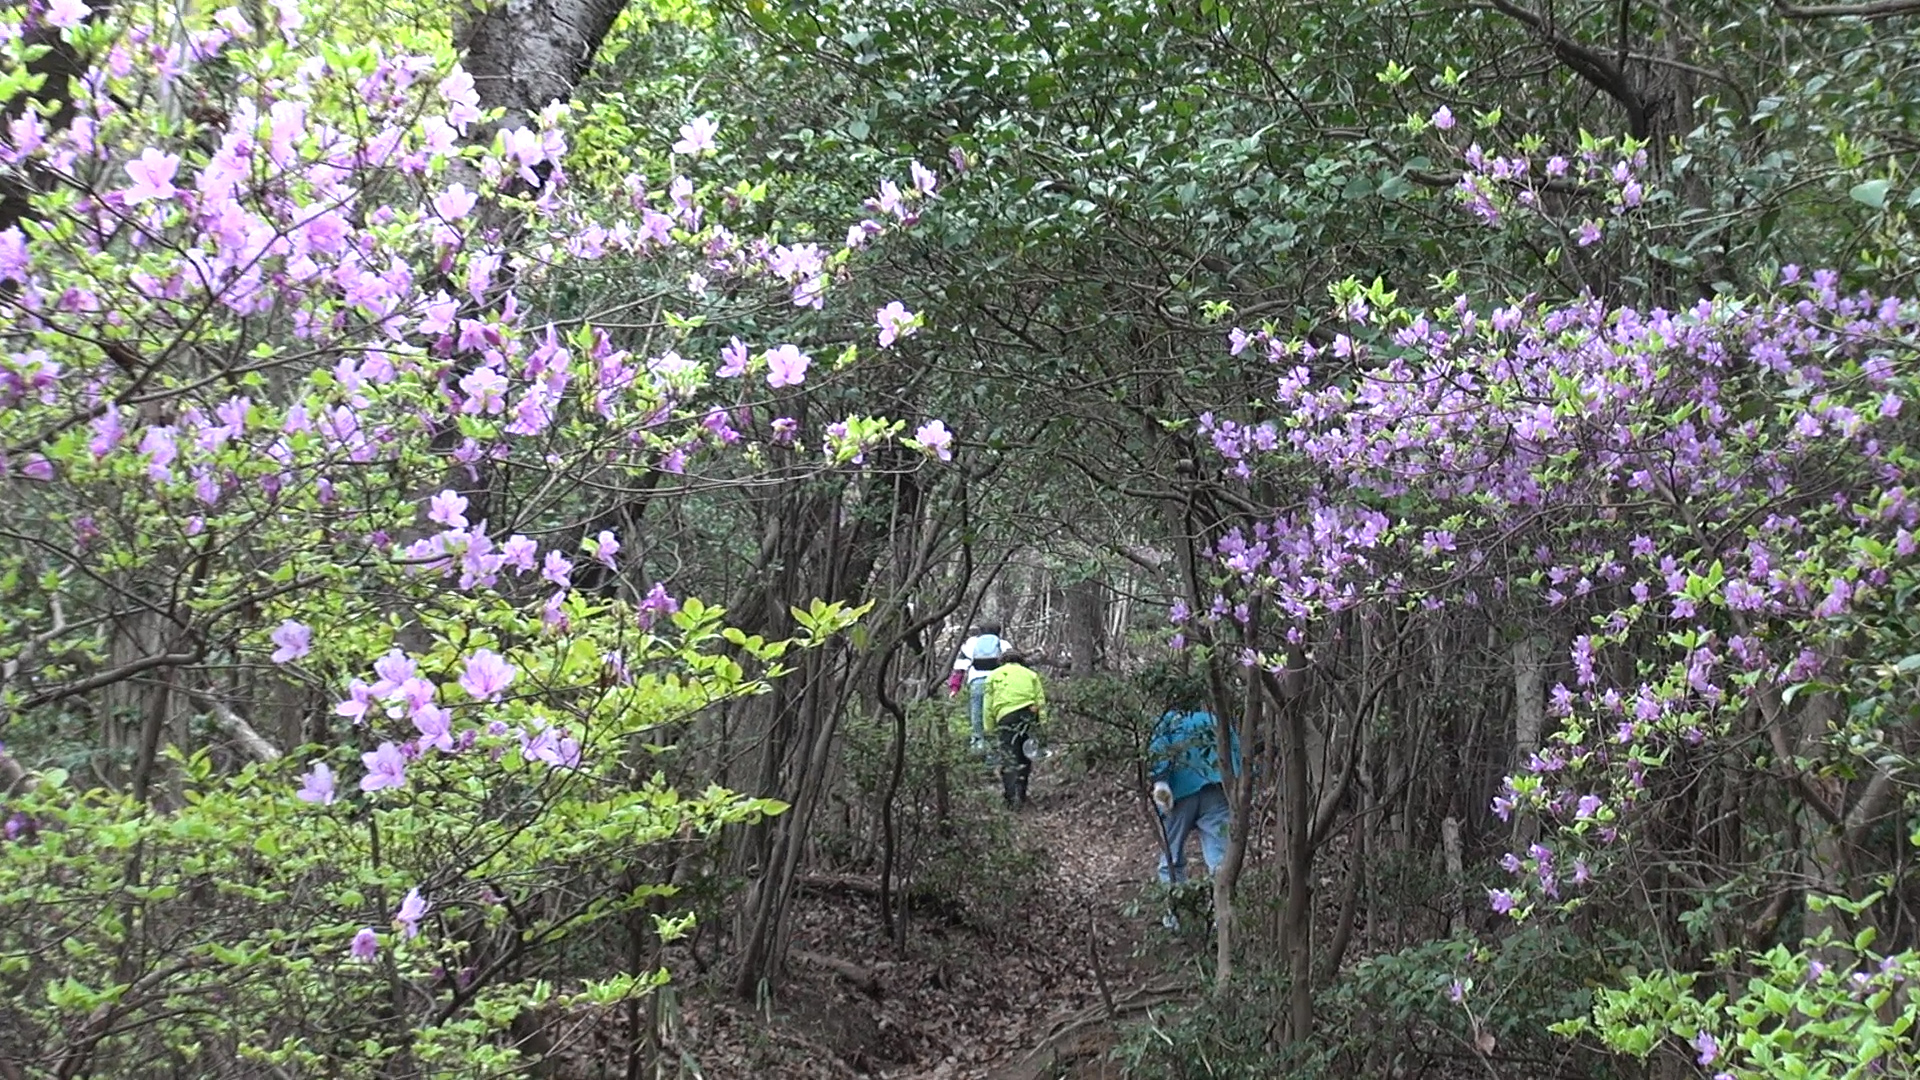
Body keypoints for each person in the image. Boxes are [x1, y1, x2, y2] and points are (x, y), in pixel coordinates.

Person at [1146, 675, 1241, 927]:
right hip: (1215, 790)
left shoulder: (1166, 722)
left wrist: (1161, 780)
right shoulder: (1214, 719)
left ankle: (1173, 917)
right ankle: (1219, 919)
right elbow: (1235, 753)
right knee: (1218, 857)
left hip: (1180, 793)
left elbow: (1158, 751)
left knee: (1172, 856)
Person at [983, 649, 1045, 810]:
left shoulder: (994, 675)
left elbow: (987, 705)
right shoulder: (1030, 674)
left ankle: (1011, 798)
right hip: (1028, 715)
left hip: (1006, 716)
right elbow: (1040, 700)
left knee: (1009, 755)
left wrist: (989, 728)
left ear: (1002, 661)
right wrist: (1042, 723)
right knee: (1025, 754)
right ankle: (1022, 793)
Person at [949, 621, 1007, 751]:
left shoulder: (971, 643)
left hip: (977, 682)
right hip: (998, 682)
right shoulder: (1003, 644)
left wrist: (954, 688)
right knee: (995, 714)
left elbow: (960, 667)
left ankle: (977, 746)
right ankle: (996, 748)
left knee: (977, 714)